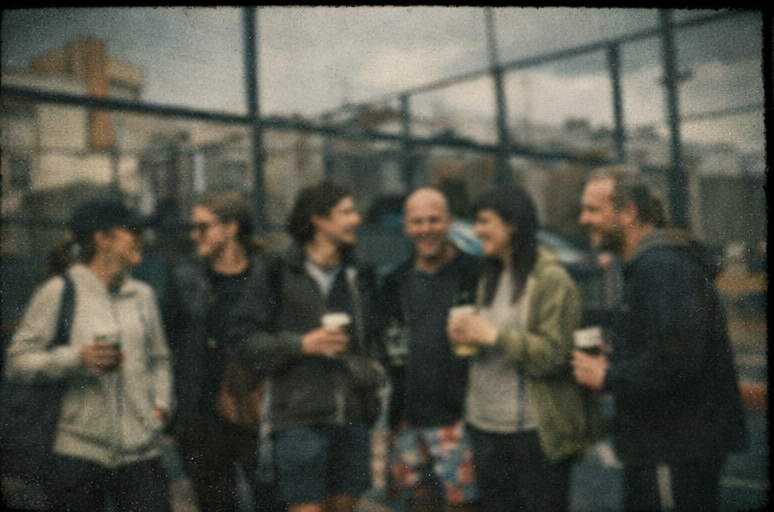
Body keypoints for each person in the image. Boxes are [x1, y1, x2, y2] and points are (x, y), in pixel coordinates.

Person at [572, 167, 748, 511]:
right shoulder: (654, 263)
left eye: (593, 209)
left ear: (628, 212)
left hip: (672, 447)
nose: (583, 219)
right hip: (668, 446)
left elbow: (676, 358)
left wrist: (607, 376)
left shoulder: (661, 265)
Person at [4, 196, 173, 512]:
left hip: (142, 451)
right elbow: (17, 361)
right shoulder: (59, 291)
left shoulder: (143, 295)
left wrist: (159, 409)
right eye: (132, 230)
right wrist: (76, 359)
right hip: (77, 455)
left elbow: (160, 361)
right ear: (102, 238)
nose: (141, 238)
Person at [229, 180, 385, 512]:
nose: (356, 219)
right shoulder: (276, 271)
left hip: (352, 417)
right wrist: (302, 345)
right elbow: (244, 341)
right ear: (318, 219)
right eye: (346, 212)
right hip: (299, 421)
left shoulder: (361, 272)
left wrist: (371, 376)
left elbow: (374, 339)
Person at [447, 184, 603, 512]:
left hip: (534, 433)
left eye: (485, 221)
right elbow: (489, 339)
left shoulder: (551, 281)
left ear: (513, 224)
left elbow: (555, 356)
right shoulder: (489, 275)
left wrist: (494, 336)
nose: (477, 230)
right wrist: (467, 335)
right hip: (484, 426)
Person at [164, 190, 280, 512]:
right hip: (201, 418)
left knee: (272, 501)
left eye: (203, 226)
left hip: (256, 412)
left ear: (231, 228)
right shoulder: (184, 279)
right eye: (193, 227)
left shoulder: (268, 275)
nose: (194, 235)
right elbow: (170, 343)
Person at [381, 188, 481, 512]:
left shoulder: (475, 274)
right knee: (418, 505)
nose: (426, 229)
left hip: (459, 419)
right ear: (407, 227)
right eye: (418, 221)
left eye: (434, 220)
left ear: (450, 222)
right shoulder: (394, 281)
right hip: (407, 420)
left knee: (464, 505)